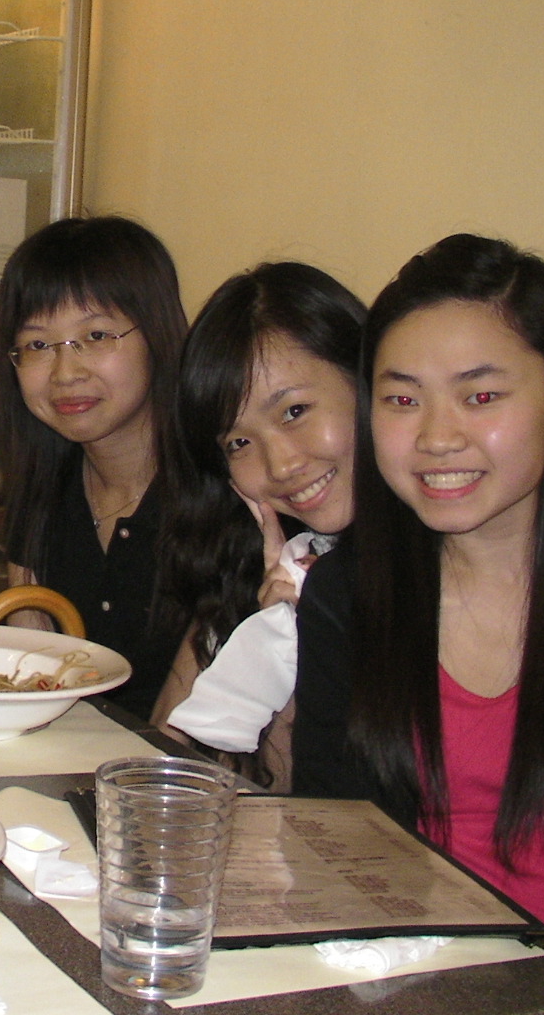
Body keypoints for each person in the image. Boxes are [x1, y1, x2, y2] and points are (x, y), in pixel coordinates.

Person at [292, 234, 544, 1000]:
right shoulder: (347, 595)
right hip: (397, 984)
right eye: (402, 399)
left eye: (481, 396)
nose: (436, 437)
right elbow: (339, 837)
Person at [150, 262, 365, 790]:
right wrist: (279, 636)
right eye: (239, 442)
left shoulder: (453, 562)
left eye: (294, 411)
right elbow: (167, 769)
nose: (281, 465)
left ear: (365, 382)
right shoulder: (268, 561)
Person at [0, 215, 188, 720]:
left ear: (158, 335)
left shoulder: (213, 498)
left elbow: (184, 730)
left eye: (97, 335)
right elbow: (30, 668)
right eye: (38, 345)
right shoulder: (44, 484)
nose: (65, 372)